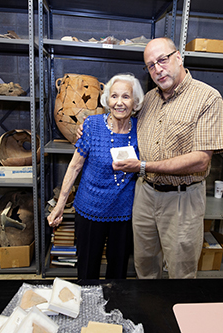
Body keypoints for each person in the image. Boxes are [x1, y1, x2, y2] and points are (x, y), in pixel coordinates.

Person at [112, 37, 223, 279]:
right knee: (144, 264)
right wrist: (90, 126)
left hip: (182, 199)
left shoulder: (208, 98)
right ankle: (149, 312)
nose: (157, 69)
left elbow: (200, 160)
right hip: (145, 194)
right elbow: (119, 115)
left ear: (178, 57)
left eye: (162, 60)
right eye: (151, 65)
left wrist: (143, 167)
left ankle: (177, 313)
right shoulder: (149, 100)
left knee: (180, 271)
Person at [47, 73, 144, 279]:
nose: (119, 103)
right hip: (90, 210)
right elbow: (74, 167)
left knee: (118, 272)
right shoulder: (91, 126)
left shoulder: (141, 129)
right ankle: (87, 308)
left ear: (135, 102)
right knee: (87, 270)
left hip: (124, 213)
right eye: (114, 96)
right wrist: (60, 206)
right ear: (107, 100)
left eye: (126, 97)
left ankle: (114, 308)